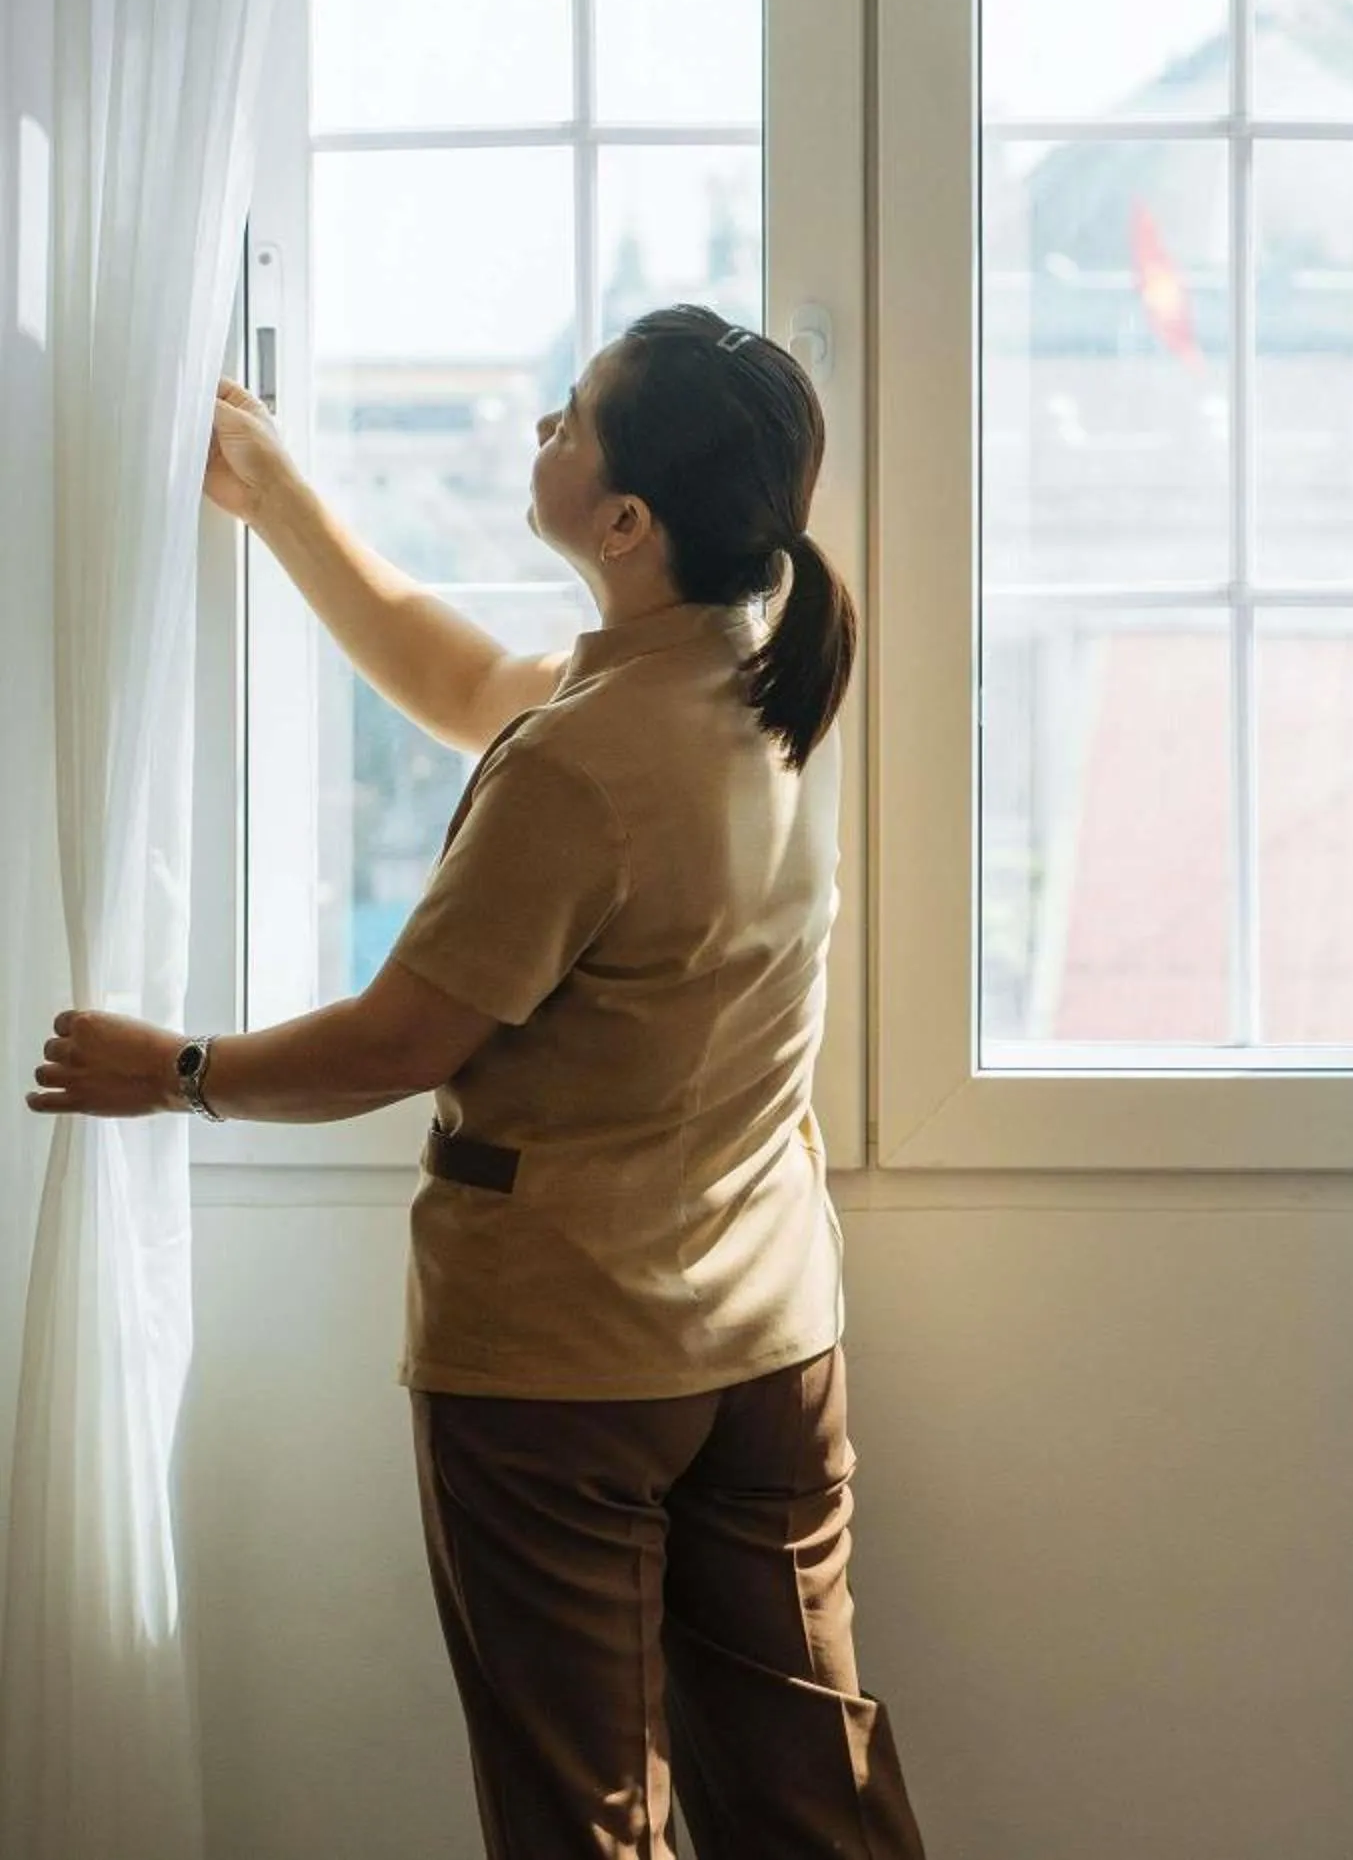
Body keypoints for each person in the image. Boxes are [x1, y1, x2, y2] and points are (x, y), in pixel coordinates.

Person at [25, 306, 926, 1859]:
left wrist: (175, 1069)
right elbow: (465, 683)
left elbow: (398, 1042)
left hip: (569, 1362)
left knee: (583, 1812)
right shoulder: (770, 671)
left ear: (628, 519)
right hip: (770, 1339)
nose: (541, 436)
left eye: (571, 422)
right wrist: (290, 504)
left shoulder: (584, 765)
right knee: (809, 1793)